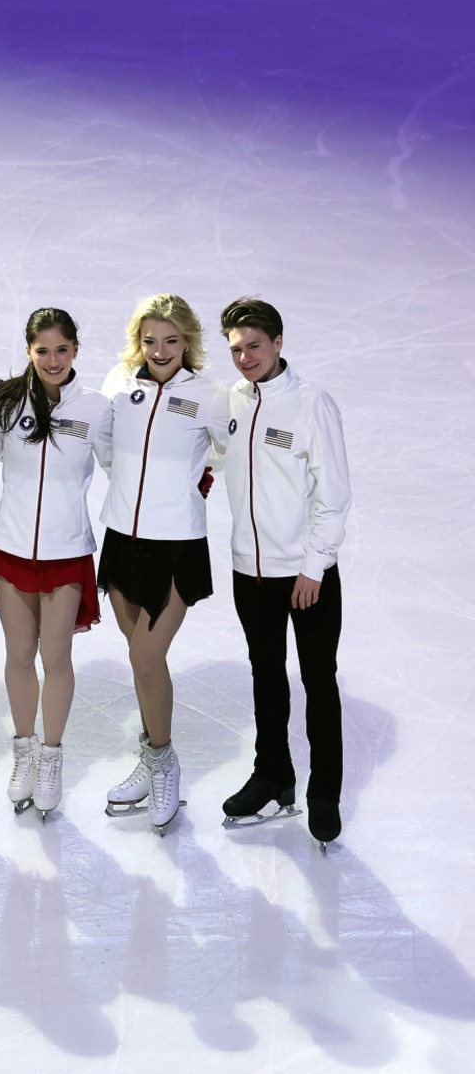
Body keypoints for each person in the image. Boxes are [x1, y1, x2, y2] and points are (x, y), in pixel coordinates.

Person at [217, 297, 351, 850]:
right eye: (236, 349)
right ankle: (273, 776)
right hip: (249, 571)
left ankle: (324, 793)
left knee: (317, 680)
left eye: (253, 346)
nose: (245, 357)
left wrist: (313, 566)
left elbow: (334, 495)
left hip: (305, 576)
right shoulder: (231, 400)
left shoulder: (311, 404)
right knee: (265, 676)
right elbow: (220, 457)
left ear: (277, 343)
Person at [97, 293, 230, 834]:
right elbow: (104, 444)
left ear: (188, 343)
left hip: (177, 543)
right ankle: (153, 757)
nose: (160, 350)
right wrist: (130, 487)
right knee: (138, 657)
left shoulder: (209, 396)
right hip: (123, 538)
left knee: (148, 656)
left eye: (171, 341)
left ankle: (165, 759)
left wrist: (195, 481)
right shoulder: (117, 384)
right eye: (150, 340)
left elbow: (227, 451)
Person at [0, 308, 113, 821]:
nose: (52, 360)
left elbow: (120, 463)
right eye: (42, 351)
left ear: (76, 350)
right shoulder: (9, 403)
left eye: (62, 350)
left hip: (67, 553)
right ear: (28, 351)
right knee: (18, 656)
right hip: (12, 550)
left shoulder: (97, 409)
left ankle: (52, 757)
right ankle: (24, 751)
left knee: (56, 660)